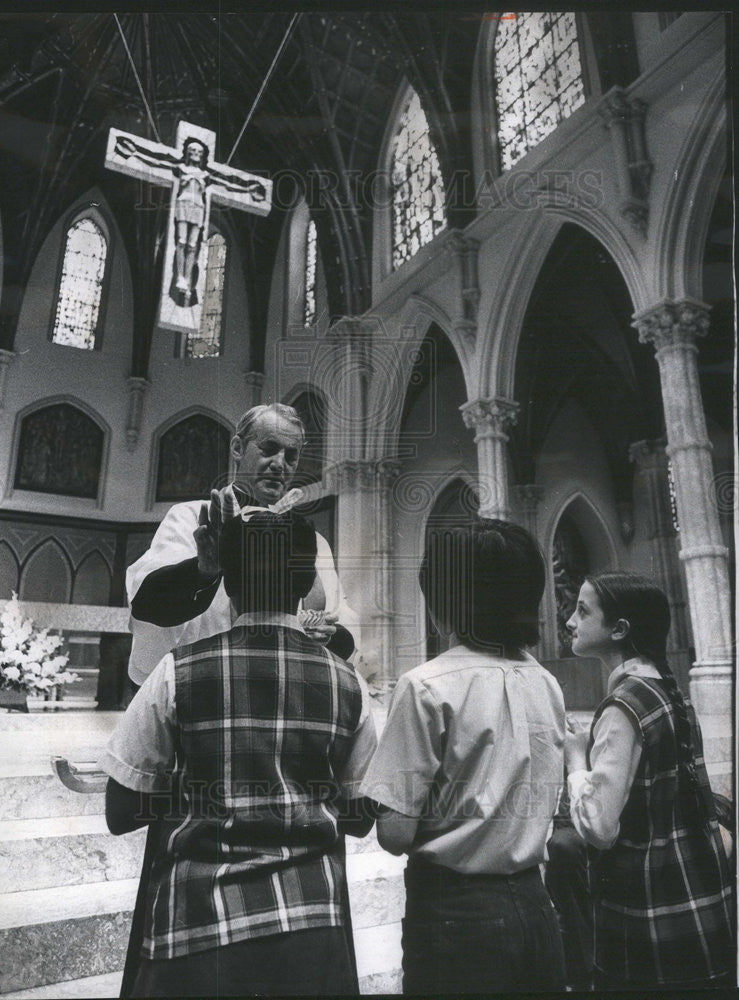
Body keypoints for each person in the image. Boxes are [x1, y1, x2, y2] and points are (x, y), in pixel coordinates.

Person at [100, 510, 377, 997]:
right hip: (311, 926)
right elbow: (359, 818)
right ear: (308, 581)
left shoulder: (175, 672)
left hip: (197, 928)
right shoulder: (347, 682)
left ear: (226, 581)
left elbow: (121, 811)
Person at [360, 519, 566, 994]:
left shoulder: (426, 685)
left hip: (456, 916)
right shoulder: (545, 682)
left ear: (442, 601)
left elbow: (395, 833)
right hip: (536, 905)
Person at [564, 571, 734, 990]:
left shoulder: (623, 706)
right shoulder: (665, 690)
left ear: (619, 630)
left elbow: (600, 828)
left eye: (583, 611)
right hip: (699, 897)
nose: (570, 620)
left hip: (651, 913)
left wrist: (574, 761)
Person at [126, 403, 358, 685]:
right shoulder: (191, 520)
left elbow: (343, 628)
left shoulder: (313, 543)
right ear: (237, 448)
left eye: (291, 456)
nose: (279, 464)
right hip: (202, 686)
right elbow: (147, 606)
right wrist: (204, 570)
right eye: (269, 448)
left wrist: (325, 633)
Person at [114, 133, 266, 300]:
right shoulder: (180, 168)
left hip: (198, 209)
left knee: (193, 246)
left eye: (198, 151)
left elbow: (228, 183)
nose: (195, 153)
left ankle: (187, 280)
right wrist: (135, 152)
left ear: (203, 156)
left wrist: (248, 189)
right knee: (181, 242)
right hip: (183, 205)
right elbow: (157, 161)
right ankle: (179, 276)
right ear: (187, 151)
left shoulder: (207, 175)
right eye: (192, 150)